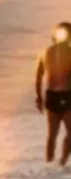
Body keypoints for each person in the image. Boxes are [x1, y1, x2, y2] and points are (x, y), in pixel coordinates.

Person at [35, 22, 71, 167]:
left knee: (52, 134)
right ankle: (62, 163)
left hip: (51, 96)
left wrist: (39, 97)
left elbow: (38, 76)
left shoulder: (45, 52)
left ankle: (49, 166)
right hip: (66, 96)